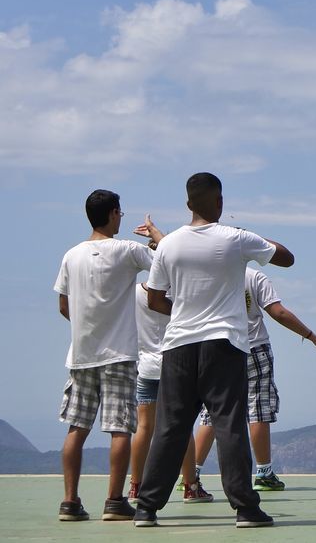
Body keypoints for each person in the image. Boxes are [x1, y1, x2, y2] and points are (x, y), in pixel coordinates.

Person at [133, 172, 295, 529]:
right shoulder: (235, 239)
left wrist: (184, 311)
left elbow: (155, 298)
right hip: (224, 344)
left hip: (177, 346)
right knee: (230, 426)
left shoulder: (170, 244)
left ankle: (146, 508)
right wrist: (251, 238)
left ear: (188, 204)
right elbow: (286, 257)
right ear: (220, 202)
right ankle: (245, 509)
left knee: (170, 428)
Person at [53, 190, 153, 521]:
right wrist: (154, 235)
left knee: (76, 429)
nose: (121, 218)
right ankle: (114, 501)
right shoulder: (128, 250)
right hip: (120, 354)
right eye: (120, 213)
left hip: (81, 355)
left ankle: (69, 502)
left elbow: (64, 306)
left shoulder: (71, 255)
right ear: (112, 214)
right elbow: (166, 261)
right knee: (120, 429)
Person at [192, 267, 316, 489]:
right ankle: (264, 473)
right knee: (258, 408)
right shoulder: (253, 276)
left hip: (215, 349)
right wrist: (312, 337)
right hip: (253, 347)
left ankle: (192, 475)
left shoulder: (208, 273)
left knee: (211, 412)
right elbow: (278, 312)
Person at [129, 270, 209, 505]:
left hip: (145, 367)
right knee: (182, 427)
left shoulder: (135, 293)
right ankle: (191, 487)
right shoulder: (181, 294)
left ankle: (135, 487)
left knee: (144, 427)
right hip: (176, 366)